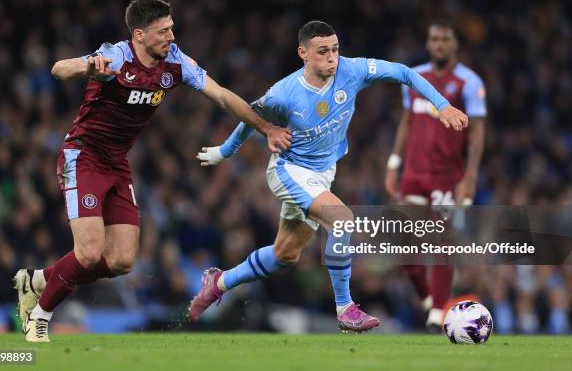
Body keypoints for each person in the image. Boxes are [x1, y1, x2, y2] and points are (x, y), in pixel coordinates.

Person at [13, 0, 291, 343]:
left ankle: (38, 280)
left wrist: (265, 128)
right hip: (82, 157)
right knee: (87, 252)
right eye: (163, 31)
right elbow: (59, 69)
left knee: (122, 261)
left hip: (117, 164)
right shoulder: (117, 56)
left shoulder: (175, 63)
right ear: (139, 35)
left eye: (171, 28)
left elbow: (220, 95)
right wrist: (90, 66)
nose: (171, 36)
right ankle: (39, 315)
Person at [190, 20, 468, 332]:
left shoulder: (353, 70)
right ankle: (345, 307)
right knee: (343, 219)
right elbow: (249, 118)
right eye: (323, 51)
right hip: (289, 171)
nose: (332, 57)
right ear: (303, 53)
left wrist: (442, 105)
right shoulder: (285, 93)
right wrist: (224, 152)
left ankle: (220, 281)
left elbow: (403, 72)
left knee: (285, 254)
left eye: (335, 49)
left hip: (322, 174)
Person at [383, 20, 486, 331]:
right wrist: (393, 162)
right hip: (413, 172)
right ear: (428, 44)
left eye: (445, 39)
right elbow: (406, 120)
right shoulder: (415, 77)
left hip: (445, 175)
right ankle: (428, 297)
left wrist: (469, 176)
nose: (439, 44)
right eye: (434, 39)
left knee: (443, 242)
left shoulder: (468, 82)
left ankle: (439, 312)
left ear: (455, 44)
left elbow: (478, 132)